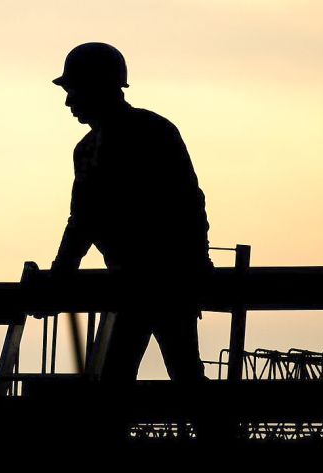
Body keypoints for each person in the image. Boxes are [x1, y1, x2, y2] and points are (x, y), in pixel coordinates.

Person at [50, 42, 214, 386]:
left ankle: (215, 438)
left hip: (161, 281)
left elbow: (186, 204)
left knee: (148, 376)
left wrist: (60, 275)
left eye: (74, 91)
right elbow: (83, 221)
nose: (68, 102)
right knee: (151, 376)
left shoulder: (142, 135)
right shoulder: (99, 146)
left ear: (99, 87)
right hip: (147, 282)